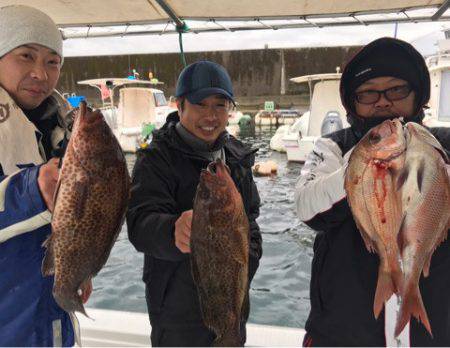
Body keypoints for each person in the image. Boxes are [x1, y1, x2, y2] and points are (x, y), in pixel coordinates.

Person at [295, 37, 450, 347]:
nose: (383, 101)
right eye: (368, 93)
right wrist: (364, 162)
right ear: (352, 101)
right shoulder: (333, 147)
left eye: (396, 89)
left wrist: (432, 167)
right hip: (345, 332)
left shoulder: (441, 144)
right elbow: (305, 207)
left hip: (437, 330)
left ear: (417, 93)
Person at [127, 60, 263, 346]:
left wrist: (244, 267)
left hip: (231, 302)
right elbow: (139, 224)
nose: (211, 116)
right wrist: (171, 230)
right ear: (180, 105)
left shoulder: (237, 158)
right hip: (177, 313)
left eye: (220, 105)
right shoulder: (156, 159)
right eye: (201, 104)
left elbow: (251, 222)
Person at [0, 5, 92, 346]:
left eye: (52, 61)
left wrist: (79, 262)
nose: (40, 73)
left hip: (50, 321)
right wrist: (30, 191)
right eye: (26, 55)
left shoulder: (61, 129)